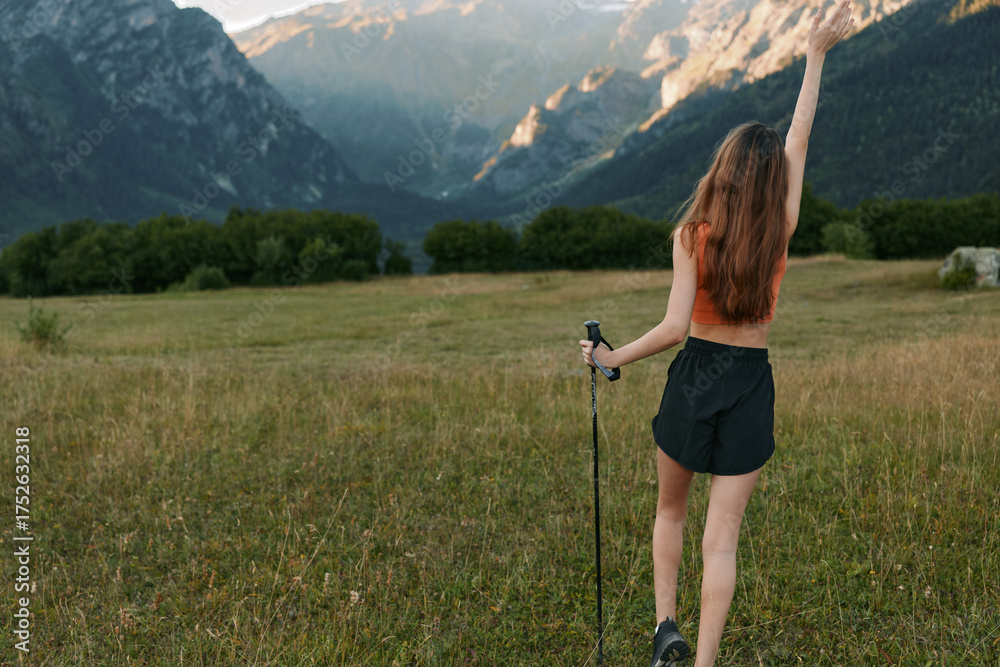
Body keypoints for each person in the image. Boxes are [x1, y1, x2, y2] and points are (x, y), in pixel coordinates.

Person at [578, 2, 854, 664]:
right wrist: (815, 56)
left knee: (670, 512)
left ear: (723, 173)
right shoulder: (780, 233)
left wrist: (612, 355)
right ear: (771, 185)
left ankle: (663, 626)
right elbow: (799, 137)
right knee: (721, 536)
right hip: (751, 382)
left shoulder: (692, 236)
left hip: (695, 375)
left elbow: (676, 327)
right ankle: (702, 661)